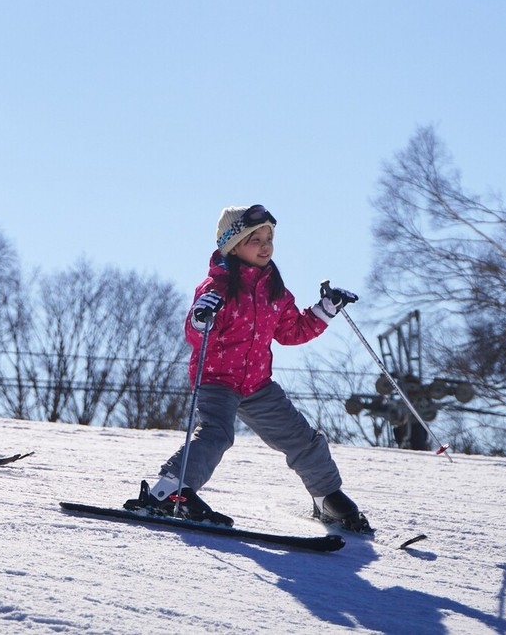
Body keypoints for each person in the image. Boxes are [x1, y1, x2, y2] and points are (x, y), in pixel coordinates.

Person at [125, 204, 370, 531]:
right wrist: (201, 319)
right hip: (217, 381)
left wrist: (325, 310)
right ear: (232, 244)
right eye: (255, 238)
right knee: (216, 434)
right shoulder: (218, 288)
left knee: (303, 439)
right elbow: (194, 335)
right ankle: (168, 492)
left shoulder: (275, 292)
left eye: (269, 237)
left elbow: (290, 332)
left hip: (257, 385)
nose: (265, 244)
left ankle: (326, 497)